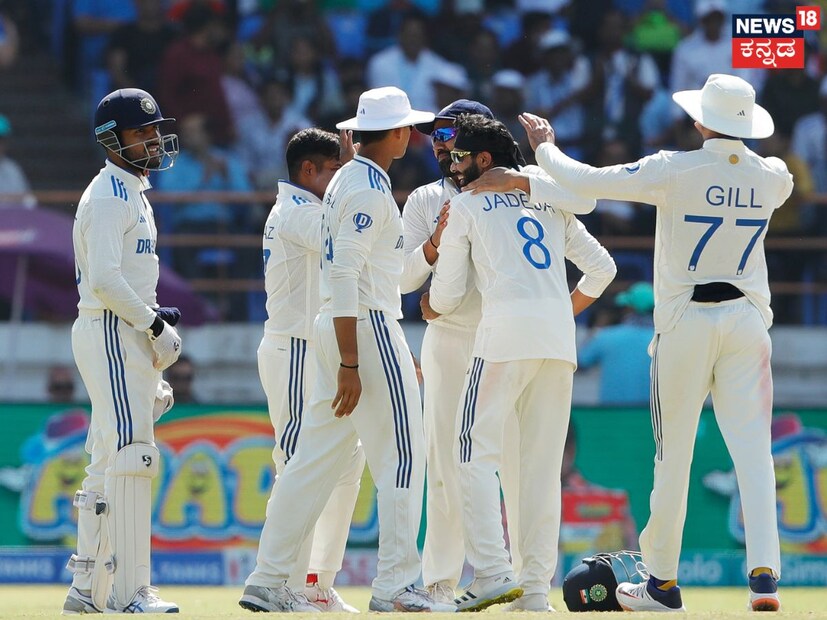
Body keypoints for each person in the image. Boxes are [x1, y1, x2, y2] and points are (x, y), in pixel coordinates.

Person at [516, 73, 791, 612]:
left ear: (701, 121)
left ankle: (662, 585)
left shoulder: (673, 168)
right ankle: (764, 579)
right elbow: (768, 175)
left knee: (673, 455)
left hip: (687, 319)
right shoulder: (774, 176)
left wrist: (544, 147)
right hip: (748, 320)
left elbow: (586, 180)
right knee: (755, 453)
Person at [237, 87, 454, 613]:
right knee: (403, 455)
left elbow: (372, 271)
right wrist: (352, 361)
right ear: (396, 134)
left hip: (342, 327)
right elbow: (344, 275)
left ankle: (267, 577)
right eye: (408, 128)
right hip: (365, 325)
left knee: (311, 460)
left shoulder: (351, 181)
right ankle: (396, 585)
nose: (412, 136)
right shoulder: (365, 188)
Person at [421, 114, 616, 612]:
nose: (453, 166)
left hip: (504, 336)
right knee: (541, 470)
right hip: (557, 341)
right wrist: (556, 311)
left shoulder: (466, 204)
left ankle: (492, 571)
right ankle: (533, 592)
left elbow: (446, 295)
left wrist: (430, 305)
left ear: (484, 159)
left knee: (472, 453)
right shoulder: (547, 196)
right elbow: (603, 267)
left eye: (460, 156)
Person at [62, 88, 183, 614]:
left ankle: (87, 588)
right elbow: (106, 280)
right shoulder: (111, 194)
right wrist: (154, 326)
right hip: (112, 329)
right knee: (134, 455)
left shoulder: (131, 190)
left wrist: (151, 323)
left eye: (155, 129)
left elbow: (125, 277)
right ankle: (132, 592)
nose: (153, 139)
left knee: (108, 461)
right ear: (112, 140)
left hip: (119, 331)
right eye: (141, 132)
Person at [240, 128, 365, 613]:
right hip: (294, 348)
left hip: (316, 348)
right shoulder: (296, 212)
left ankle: (316, 582)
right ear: (308, 170)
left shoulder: (305, 208)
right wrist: (358, 175)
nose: (339, 179)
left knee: (347, 462)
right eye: (334, 170)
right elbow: (345, 235)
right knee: (296, 464)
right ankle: (281, 582)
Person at [578, 281, 655, 405]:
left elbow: (581, 362)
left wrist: (598, 327)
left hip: (611, 413)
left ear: (628, 308)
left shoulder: (605, 337)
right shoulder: (664, 341)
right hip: (652, 414)